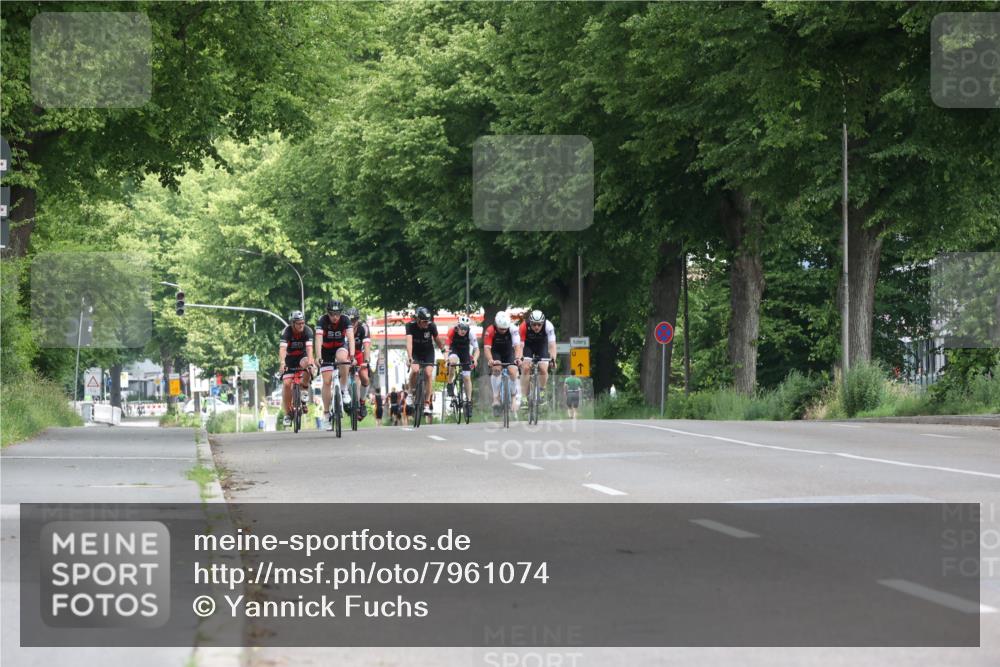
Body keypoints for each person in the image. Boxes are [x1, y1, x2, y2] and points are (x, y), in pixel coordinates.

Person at [315, 299, 355, 431]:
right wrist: (319, 357)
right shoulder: (322, 321)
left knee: (343, 359)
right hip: (326, 351)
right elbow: (318, 339)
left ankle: (344, 390)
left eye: (337, 314)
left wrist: (353, 356)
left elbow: (350, 338)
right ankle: (326, 414)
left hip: (340, 347)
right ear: (328, 313)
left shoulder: (345, 320)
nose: (334, 317)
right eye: (332, 314)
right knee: (326, 381)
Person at [278, 310, 316, 427]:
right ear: (292, 323)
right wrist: (282, 363)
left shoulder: (308, 331)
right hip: (289, 359)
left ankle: (304, 390)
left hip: (302, 357)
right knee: (286, 384)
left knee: (308, 365)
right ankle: (287, 414)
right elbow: (282, 350)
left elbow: (309, 350)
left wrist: (311, 363)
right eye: (299, 323)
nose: (301, 325)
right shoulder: (286, 332)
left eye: (303, 323)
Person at [405, 307, 446, 415]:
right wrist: (410, 357)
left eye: (427, 321)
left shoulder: (431, 326)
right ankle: (410, 393)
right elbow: (409, 342)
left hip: (428, 351)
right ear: (418, 320)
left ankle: (427, 403)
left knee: (428, 374)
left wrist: (444, 351)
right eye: (424, 321)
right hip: (415, 352)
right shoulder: (410, 326)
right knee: (415, 370)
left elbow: (437, 340)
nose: (426, 323)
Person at [483, 310, 522, 417]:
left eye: (505, 329)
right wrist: (490, 359)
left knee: (513, 371)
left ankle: (513, 396)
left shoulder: (513, 329)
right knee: (496, 369)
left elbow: (517, 346)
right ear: (496, 325)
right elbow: (487, 348)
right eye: (501, 329)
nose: (503, 331)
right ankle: (496, 398)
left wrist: (518, 358)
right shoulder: (490, 330)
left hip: (509, 352)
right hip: (496, 352)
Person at [519, 309, 558, 405]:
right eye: (534, 324)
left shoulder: (548, 326)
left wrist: (553, 360)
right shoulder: (523, 326)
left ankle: (542, 391)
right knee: (526, 369)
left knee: (543, 369)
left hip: (542, 345)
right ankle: (524, 397)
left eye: (539, 324)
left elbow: (552, 345)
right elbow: (520, 346)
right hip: (528, 345)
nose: (536, 327)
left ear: (543, 323)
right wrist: (520, 359)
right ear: (530, 323)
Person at [445, 314, 480, 413]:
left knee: (467, 377)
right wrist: (446, 359)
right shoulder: (452, 331)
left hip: (465, 352)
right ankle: (450, 383)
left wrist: (475, 359)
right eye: (462, 328)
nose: (463, 330)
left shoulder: (471, 333)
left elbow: (477, 349)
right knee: (453, 361)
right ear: (458, 326)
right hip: (454, 350)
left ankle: (469, 402)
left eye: (466, 328)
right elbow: (447, 348)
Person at [347, 307, 373, 419]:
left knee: (365, 378)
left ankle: (362, 402)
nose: (352, 323)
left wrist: (366, 361)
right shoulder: (343, 327)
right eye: (350, 321)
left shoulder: (364, 327)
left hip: (359, 353)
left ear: (358, 320)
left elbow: (366, 346)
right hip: (346, 353)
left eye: (354, 321)